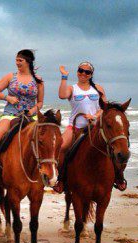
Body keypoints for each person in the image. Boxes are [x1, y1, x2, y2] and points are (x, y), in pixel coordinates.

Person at [0, 49, 44, 174]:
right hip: (10, 114)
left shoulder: (38, 80)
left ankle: (47, 174)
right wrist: (7, 98)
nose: (17, 63)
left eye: (20, 60)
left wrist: (33, 110)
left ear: (28, 61)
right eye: (16, 60)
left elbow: (40, 103)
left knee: (46, 141)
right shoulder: (10, 76)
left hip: (31, 117)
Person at [53, 62, 107, 193]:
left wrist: (94, 116)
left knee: (113, 147)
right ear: (77, 72)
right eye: (81, 70)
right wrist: (64, 77)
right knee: (60, 147)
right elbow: (61, 95)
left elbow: (105, 107)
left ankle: (118, 177)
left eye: (87, 72)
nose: (83, 73)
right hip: (75, 127)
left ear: (91, 75)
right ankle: (60, 179)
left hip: (94, 128)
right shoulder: (72, 88)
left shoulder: (98, 88)